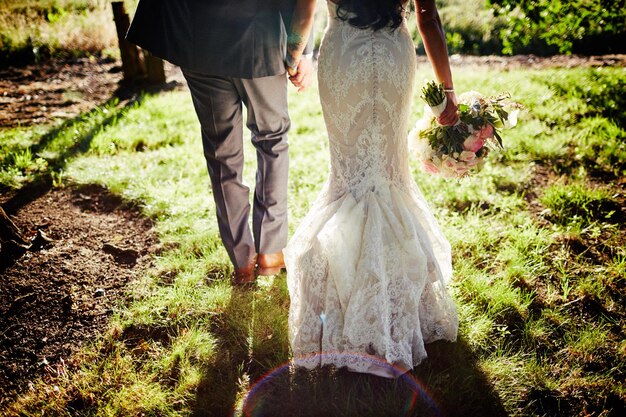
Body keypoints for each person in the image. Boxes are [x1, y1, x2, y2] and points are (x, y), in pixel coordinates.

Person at [284, 0, 459, 378]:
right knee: (387, 172)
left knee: (350, 177)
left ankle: (348, 308)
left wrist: (294, 55)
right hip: (395, 55)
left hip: (343, 56)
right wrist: (448, 89)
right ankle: (395, 304)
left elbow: (305, 8)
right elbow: (427, 17)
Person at [125, 0, 315, 285]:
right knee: (272, 141)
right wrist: (302, 51)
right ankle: (271, 250)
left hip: (199, 41)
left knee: (221, 152)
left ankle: (241, 260)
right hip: (260, 37)